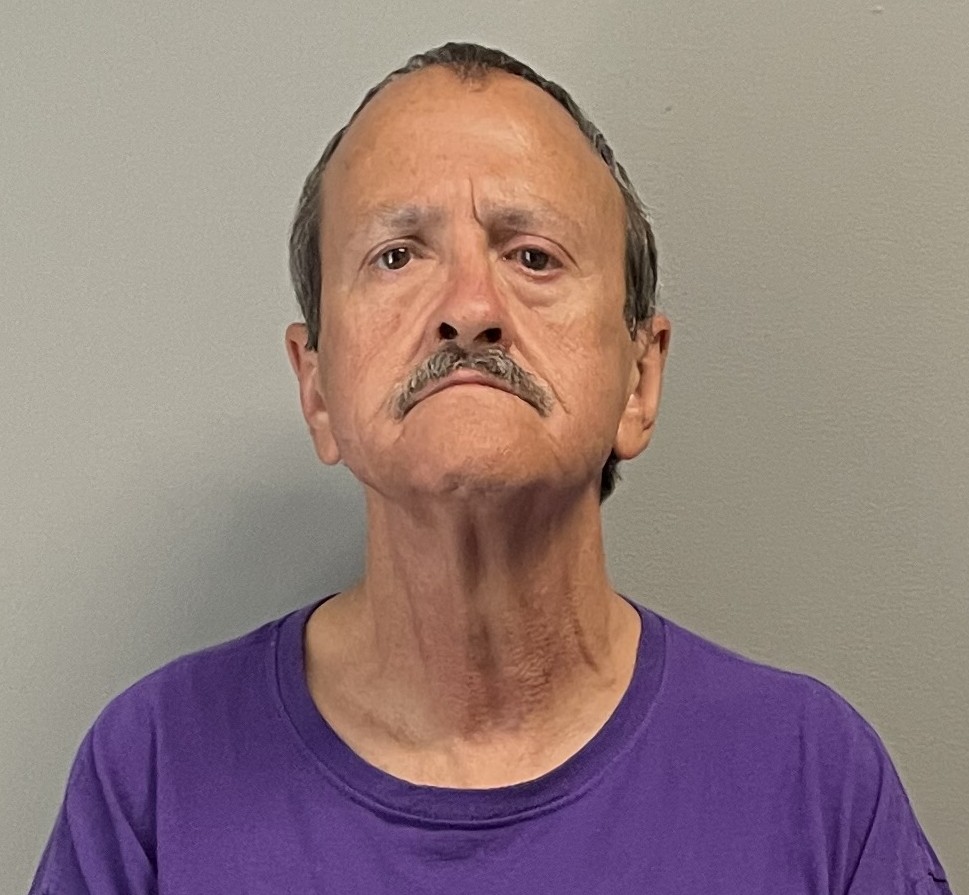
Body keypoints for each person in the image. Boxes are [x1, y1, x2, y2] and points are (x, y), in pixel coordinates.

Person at [30, 42, 951, 894]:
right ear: (316, 387)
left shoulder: (813, 783)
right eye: (396, 255)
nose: (469, 308)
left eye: (532, 255)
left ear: (640, 377)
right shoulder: (152, 776)